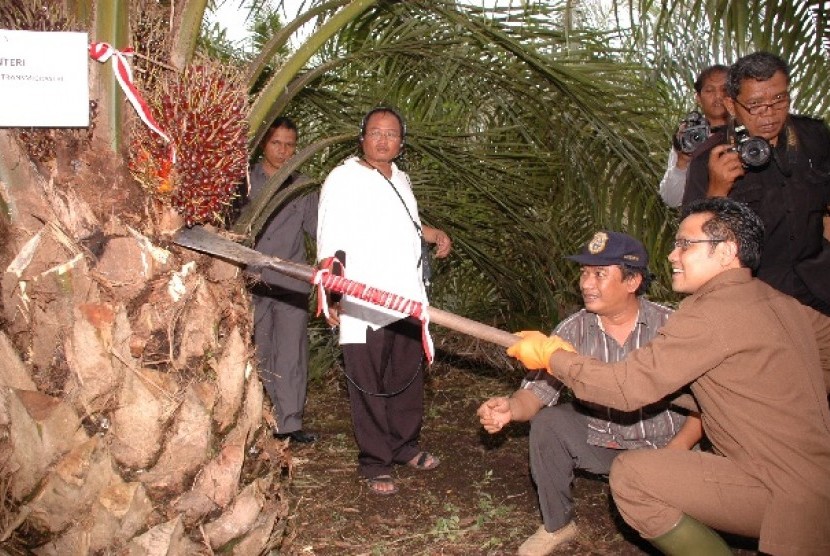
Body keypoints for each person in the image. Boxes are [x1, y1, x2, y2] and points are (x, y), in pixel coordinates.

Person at [507, 197, 830, 555]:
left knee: (632, 478)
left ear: (726, 252)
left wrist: (553, 357)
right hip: (813, 476)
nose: (673, 256)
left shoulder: (706, 314)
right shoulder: (782, 304)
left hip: (779, 487)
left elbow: (626, 388)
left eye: (685, 245)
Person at [477, 231, 702, 556]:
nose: (586, 283)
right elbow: (536, 394)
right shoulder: (571, 331)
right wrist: (510, 408)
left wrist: (680, 447)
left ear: (632, 280)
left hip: (668, 447)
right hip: (605, 440)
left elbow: (708, 403)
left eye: (599, 273)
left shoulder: (673, 327)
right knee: (549, 423)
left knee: (688, 530)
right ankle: (558, 525)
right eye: (583, 272)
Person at [316, 107, 452, 495]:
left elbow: (401, 225)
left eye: (390, 134)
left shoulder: (401, 178)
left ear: (401, 143)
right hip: (363, 299)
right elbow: (330, 239)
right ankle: (375, 461)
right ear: (362, 137)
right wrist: (333, 295)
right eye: (375, 132)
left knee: (405, 378)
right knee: (368, 382)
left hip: (406, 296)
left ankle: (404, 445)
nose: (382, 140)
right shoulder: (343, 179)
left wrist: (433, 233)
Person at [683, 52, 830, 315]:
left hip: (819, 287)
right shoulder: (709, 158)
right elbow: (692, 242)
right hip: (756, 298)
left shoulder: (814, 136)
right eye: (755, 104)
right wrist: (718, 189)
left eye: (779, 100)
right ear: (730, 104)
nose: (769, 113)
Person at [249, 117, 319, 444]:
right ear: (264, 143)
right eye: (277, 143)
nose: (283, 150)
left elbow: (319, 231)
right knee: (258, 351)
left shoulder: (301, 186)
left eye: (290, 144)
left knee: (291, 354)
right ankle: (258, 420)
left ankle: (289, 424)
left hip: (292, 283)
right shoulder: (245, 183)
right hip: (251, 281)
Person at [659, 64, 729, 207]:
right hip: (697, 224)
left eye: (725, 89)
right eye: (710, 90)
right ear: (698, 97)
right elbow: (671, 199)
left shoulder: (748, 131)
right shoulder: (690, 137)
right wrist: (682, 161)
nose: (718, 96)